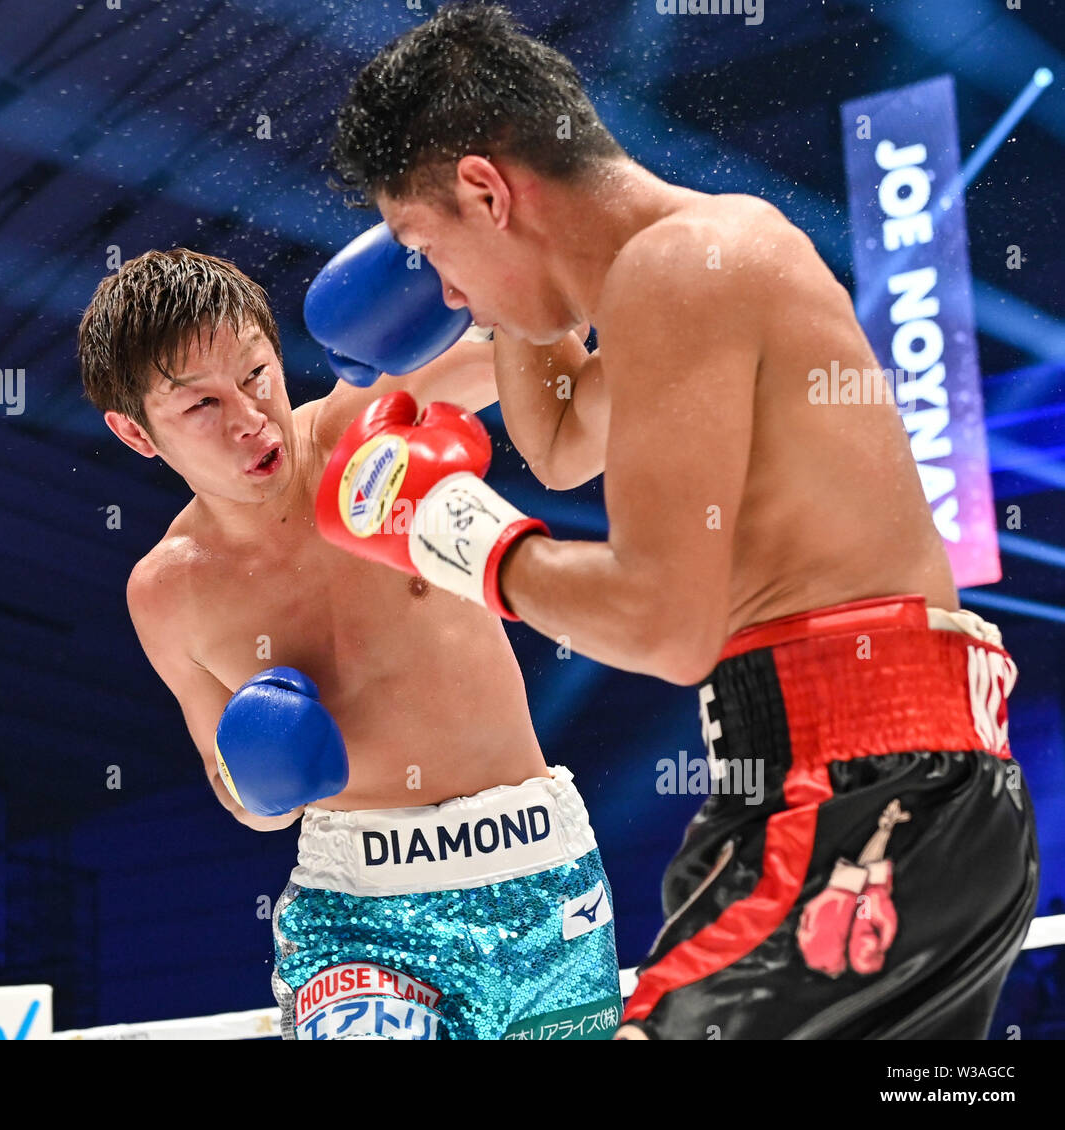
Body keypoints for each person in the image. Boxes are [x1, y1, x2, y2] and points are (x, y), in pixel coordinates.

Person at [312, 2, 1039, 1039]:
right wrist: (520, 302)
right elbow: (561, 436)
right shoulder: (687, 270)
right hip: (877, 786)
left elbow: (663, 623)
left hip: (852, 794)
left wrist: (443, 522)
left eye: (431, 251)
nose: (448, 296)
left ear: (486, 188)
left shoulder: (686, 263)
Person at [76, 247, 622, 1040]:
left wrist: (514, 282)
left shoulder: (370, 422)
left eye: (256, 374)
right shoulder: (168, 592)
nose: (249, 419)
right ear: (136, 433)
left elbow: (561, 372)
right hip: (359, 913)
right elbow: (237, 793)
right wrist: (263, 769)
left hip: (540, 872)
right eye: (200, 408)